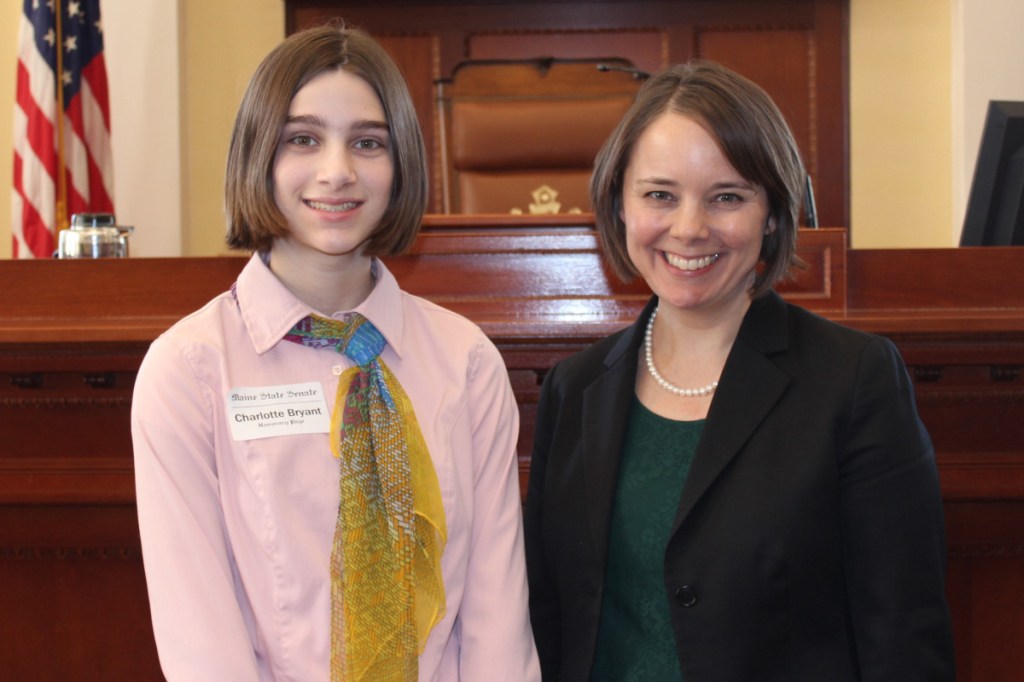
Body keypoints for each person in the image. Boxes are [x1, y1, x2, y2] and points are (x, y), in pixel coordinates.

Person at [131, 24, 539, 681]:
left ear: (400, 161)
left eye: (368, 142)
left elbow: (496, 626)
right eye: (303, 138)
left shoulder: (466, 362)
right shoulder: (189, 371)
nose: (338, 171)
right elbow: (202, 641)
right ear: (259, 153)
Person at [524, 61, 955, 681]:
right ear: (620, 205)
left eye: (727, 196)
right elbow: (551, 617)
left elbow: (904, 641)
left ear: (774, 213)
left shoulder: (854, 379)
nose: (690, 228)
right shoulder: (574, 388)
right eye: (659, 195)